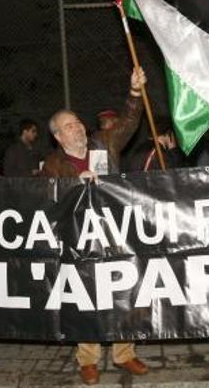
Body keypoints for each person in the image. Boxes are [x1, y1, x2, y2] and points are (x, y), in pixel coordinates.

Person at [39, 67, 149, 385]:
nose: (77, 129)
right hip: (79, 240)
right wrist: (76, 183)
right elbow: (48, 200)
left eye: (78, 123)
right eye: (69, 127)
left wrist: (134, 93)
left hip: (115, 234)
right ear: (58, 137)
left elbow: (129, 121)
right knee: (86, 296)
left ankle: (124, 354)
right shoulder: (52, 165)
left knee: (122, 291)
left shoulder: (104, 143)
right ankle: (88, 359)